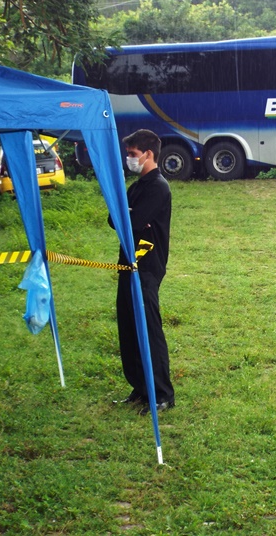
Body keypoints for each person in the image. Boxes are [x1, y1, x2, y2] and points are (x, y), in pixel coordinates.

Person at [108, 130, 175, 416]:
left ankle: (162, 394)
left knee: (148, 329)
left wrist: (128, 215)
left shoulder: (158, 187)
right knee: (129, 325)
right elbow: (114, 219)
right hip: (127, 263)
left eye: (133, 154)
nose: (129, 159)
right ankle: (140, 387)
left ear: (148, 154)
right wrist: (126, 215)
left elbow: (130, 223)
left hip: (146, 267)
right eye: (128, 154)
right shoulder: (136, 186)